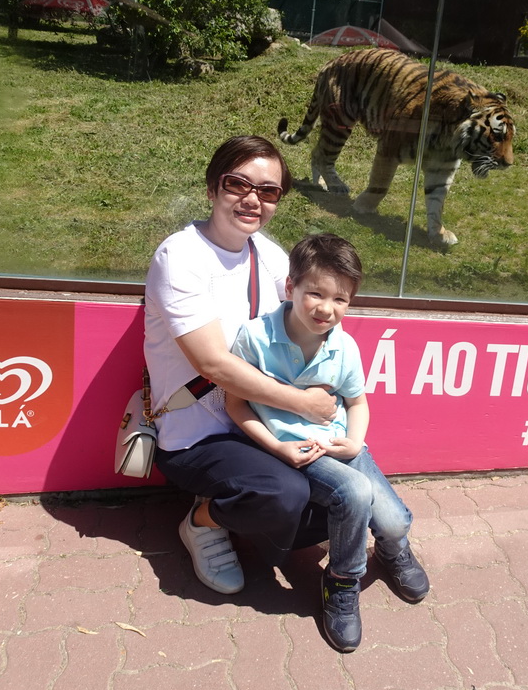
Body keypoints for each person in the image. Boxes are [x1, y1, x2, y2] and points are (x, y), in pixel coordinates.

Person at [144, 135, 337, 595]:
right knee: (282, 496)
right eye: (238, 184)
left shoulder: (270, 257)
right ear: (213, 188)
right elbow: (213, 362)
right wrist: (303, 404)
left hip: (256, 420)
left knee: (339, 501)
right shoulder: (181, 256)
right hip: (195, 433)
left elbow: (311, 325)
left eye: (268, 191)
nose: (253, 199)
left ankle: (249, 506)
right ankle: (202, 521)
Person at [227, 233, 429, 652]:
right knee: (353, 493)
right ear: (290, 287)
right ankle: (341, 581)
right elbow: (235, 405)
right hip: (292, 450)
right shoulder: (254, 338)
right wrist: (275, 446)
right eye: (314, 293)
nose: (326, 309)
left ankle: (393, 551)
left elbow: (358, 403)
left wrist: (356, 443)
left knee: (393, 523)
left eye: (340, 300)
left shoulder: (345, 347)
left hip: (339, 444)